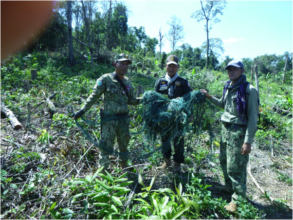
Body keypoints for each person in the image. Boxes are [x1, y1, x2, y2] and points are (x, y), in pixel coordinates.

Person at [200, 60, 259, 212]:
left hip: (238, 132)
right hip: (226, 130)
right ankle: (229, 189)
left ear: (242, 70)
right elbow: (222, 104)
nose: (231, 71)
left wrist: (248, 141)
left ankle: (238, 199)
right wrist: (208, 96)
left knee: (236, 166)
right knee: (224, 162)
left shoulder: (249, 89)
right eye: (229, 69)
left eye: (235, 69)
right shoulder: (229, 86)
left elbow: (253, 117)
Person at [73, 53, 141, 170]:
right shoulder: (105, 79)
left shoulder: (128, 82)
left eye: (127, 64)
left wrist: (145, 99)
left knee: (124, 145)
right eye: (122, 63)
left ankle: (124, 167)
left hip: (124, 120)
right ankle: (103, 171)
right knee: (106, 147)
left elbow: (132, 100)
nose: (125, 66)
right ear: (115, 64)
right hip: (109, 120)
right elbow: (94, 96)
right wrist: (82, 111)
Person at [154, 55, 191, 172]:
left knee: (179, 140)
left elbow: (189, 99)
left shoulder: (183, 82)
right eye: (169, 66)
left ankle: (177, 164)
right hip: (164, 117)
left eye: (174, 66)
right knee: (165, 139)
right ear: (165, 66)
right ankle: (166, 162)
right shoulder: (160, 81)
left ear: (178, 67)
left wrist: (181, 102)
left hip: (178, 117)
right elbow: (155, 98)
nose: (171, 68)